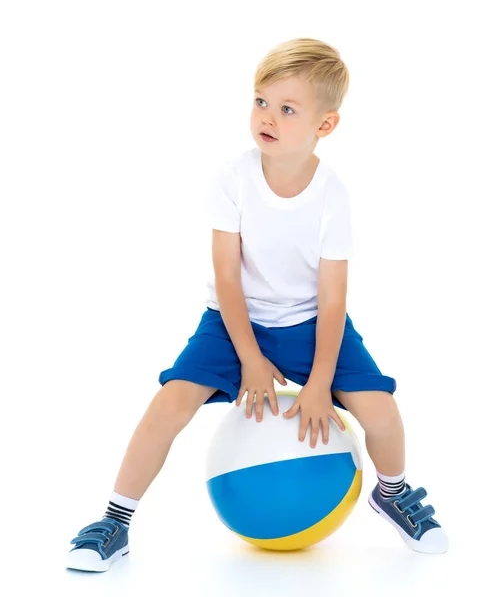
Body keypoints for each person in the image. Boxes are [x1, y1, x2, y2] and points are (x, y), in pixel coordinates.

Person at [66, 37, 448, 572]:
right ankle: (115, 521)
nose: (266, 117)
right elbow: (226, 276)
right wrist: (248, 357)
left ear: (325, 125)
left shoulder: (332, 196)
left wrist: (318, 384)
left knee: (384, 415)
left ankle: (393, 491)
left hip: (312, 323)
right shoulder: (234, 176)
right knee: (169, 404)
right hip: (230, 322)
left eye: (287, 109)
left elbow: (334, 300)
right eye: (260, 101)